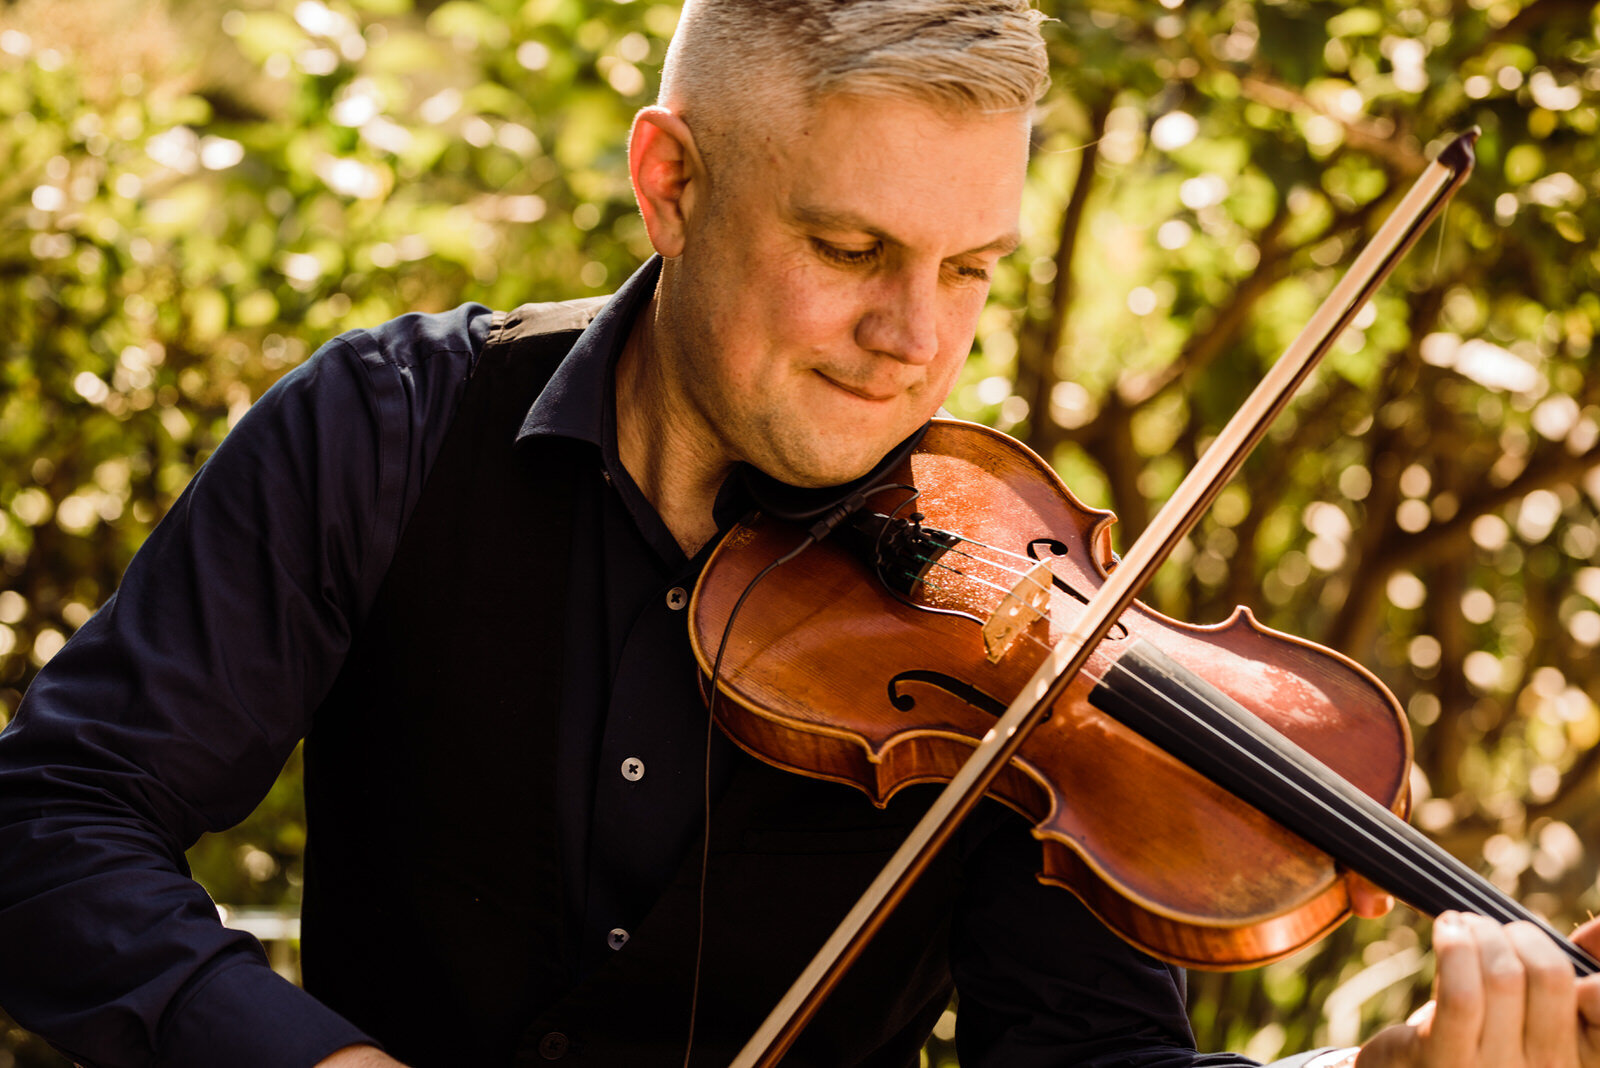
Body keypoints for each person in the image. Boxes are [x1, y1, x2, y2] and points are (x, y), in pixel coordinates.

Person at [2, 2, 1598, 1066]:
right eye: (850, 247)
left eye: (974, 267)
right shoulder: (386, 432)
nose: (915, 338)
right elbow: (49, 824)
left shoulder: (1023, 618)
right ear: (673, 183)